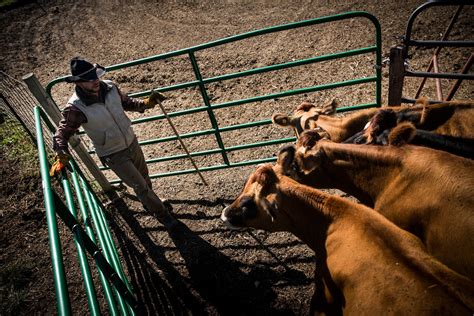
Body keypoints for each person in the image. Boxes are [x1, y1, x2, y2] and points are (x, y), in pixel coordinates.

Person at [50, 57, 177, 228]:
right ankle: (162, 214)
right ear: (78, 82)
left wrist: (147, 103)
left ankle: (150, 203)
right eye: (89, 79)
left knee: (144, 177)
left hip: (131, 140)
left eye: (95, 75)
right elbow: (62, 131)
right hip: (112, 153)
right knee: (140, 185)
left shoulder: (110, 87)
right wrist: (60, 151)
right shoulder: (76, 108)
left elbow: (127, 103)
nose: (95, 81)